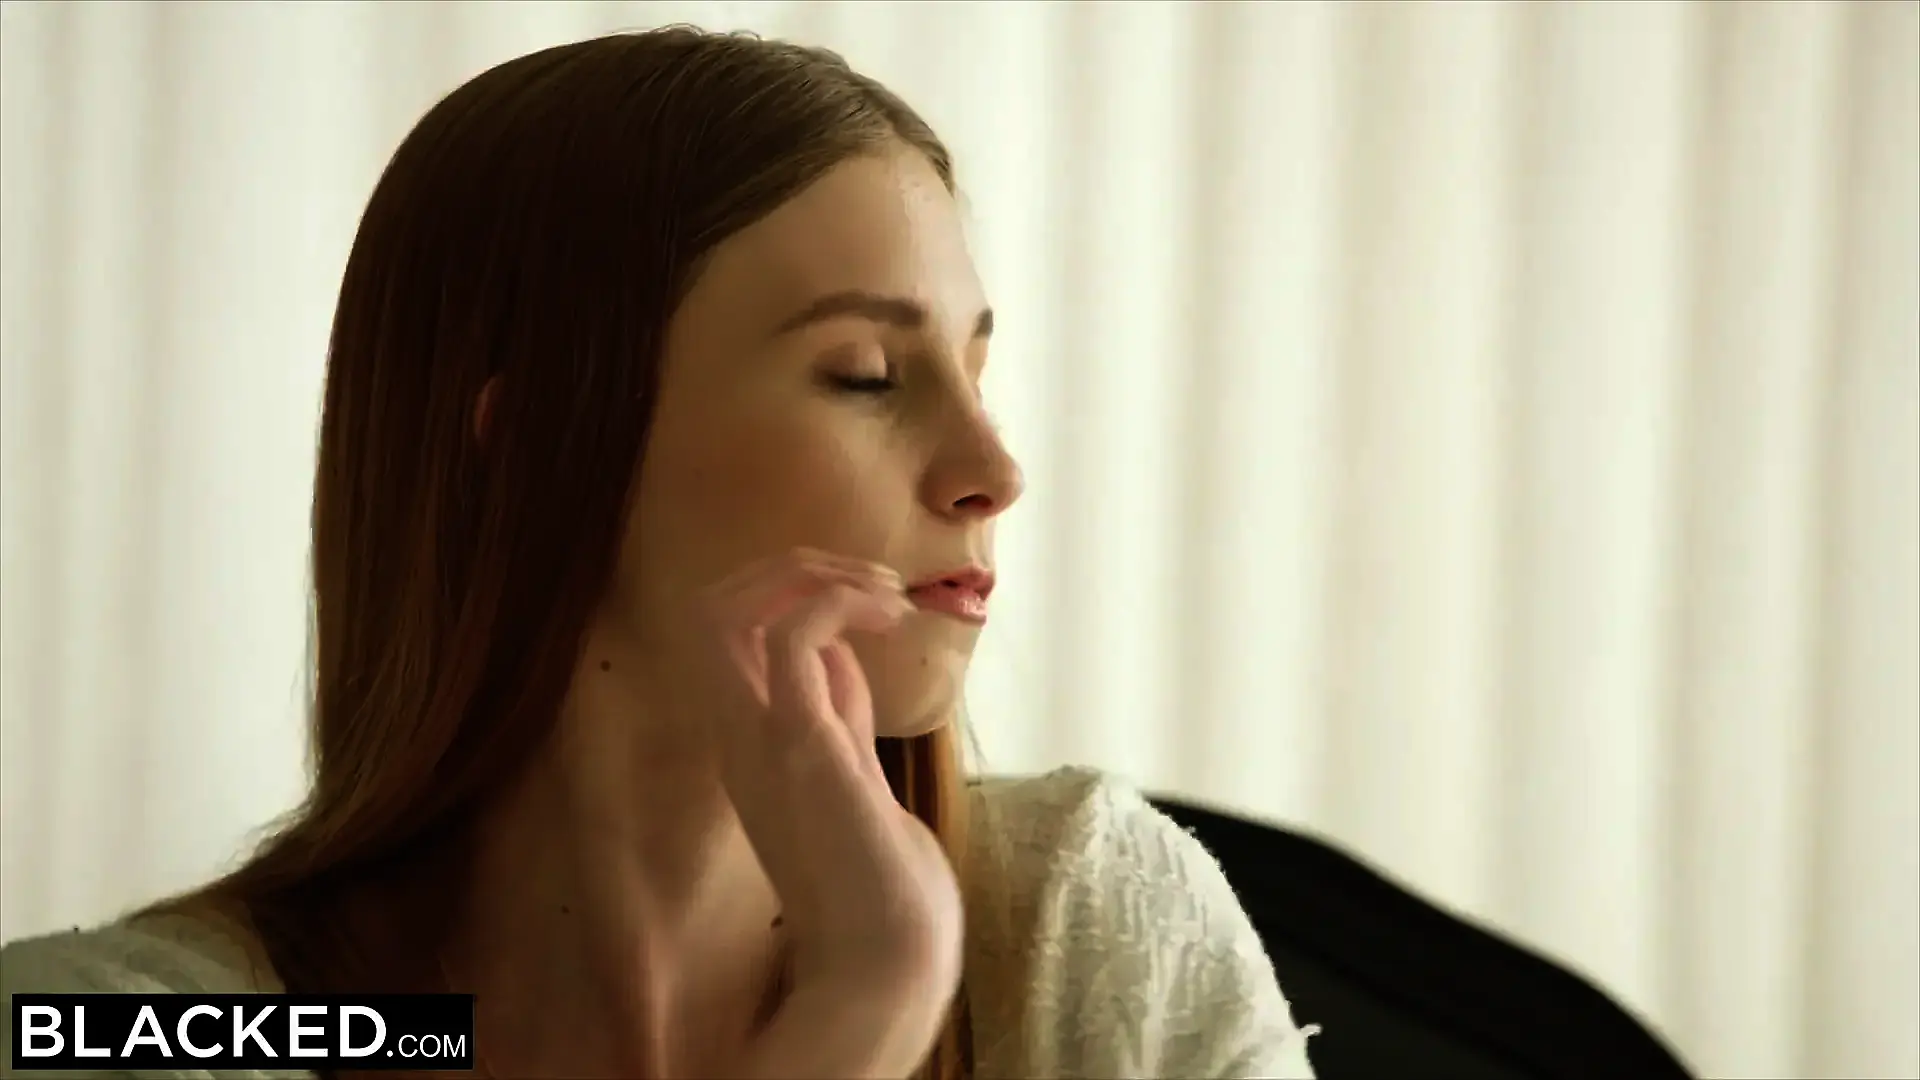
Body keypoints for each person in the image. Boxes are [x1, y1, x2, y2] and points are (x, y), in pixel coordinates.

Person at [0, 27, 1318, 1080]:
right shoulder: (145, 1030)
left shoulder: (1091, 931)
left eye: (977, 372)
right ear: (538, 452)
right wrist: (864, 1006)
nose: (994, 470)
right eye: (865, 374)